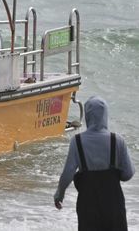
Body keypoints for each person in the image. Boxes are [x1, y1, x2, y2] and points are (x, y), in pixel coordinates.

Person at [54, 96, 134, 230]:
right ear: (105, 115)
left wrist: (59, 195)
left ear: (87, 116)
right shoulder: (117, 140)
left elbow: (67, 174)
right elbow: (128, 174)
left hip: (88, 206)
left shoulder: (77, 141)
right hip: (113, 206)